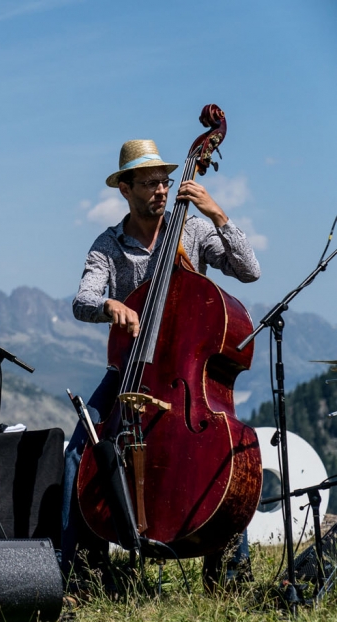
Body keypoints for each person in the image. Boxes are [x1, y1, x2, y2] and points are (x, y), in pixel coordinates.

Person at [64, 139, 261, 590]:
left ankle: (229, 574)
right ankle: (81, 573)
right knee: (81, 452)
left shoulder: (189, 230)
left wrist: (218, 214)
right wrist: (109, 306)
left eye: (165, 182)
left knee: (224, 454)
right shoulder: (108, 245)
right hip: (131, 372)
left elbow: (248, 272)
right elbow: (82, 301)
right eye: (149, 183)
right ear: (125, 189)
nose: (160, 191)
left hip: (184, 375)